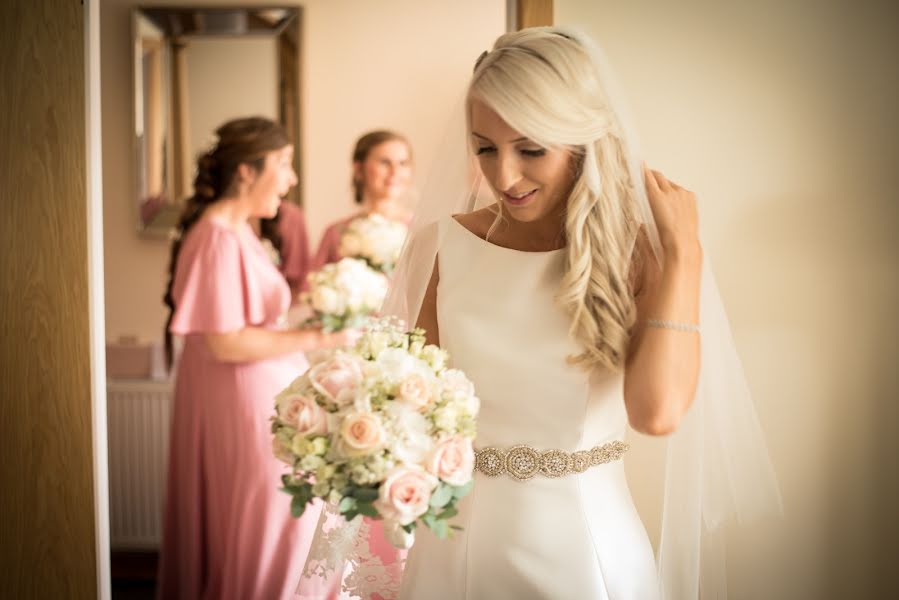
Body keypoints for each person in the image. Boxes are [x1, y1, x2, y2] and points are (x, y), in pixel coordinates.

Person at [299, 27, 781, 600]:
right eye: (485, 148)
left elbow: (657, 414)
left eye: (530, 149)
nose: (504, 177)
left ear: (580, 141)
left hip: (581, 554)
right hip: (452, 552)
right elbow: (411, 408)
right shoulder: (439, 246)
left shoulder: (639, 255)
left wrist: (684, 254)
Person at [157, 117, 353, 599]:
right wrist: (321, 337)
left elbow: (248, 321)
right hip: (246, 407)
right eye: (283, 164)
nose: (291, 179)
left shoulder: (238, 232)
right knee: (275, 519)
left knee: (281, 519)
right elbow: (225, 342)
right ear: (246, 171)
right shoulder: (219, 237)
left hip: (253, 398)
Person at [311, 130, 414, 270]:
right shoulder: (336, 233)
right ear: (359, 169)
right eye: (385, 162)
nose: (395, 171)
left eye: (402, 163)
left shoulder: (421, 230)